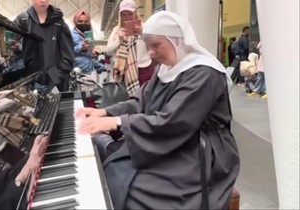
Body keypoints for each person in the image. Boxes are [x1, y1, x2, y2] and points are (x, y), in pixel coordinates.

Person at [75, 11, 240, 209]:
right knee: (115, 169)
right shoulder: (167, 68)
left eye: (156, 45)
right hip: (173, 140)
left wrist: (116, 122)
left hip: (200, 151)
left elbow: (175, 121)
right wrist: (105, 113)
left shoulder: (204, 73)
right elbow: (140, 102)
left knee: (134, 187)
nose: (151, 53)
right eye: (148, 46)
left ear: (176, 40)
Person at [14, 0, 74, 92]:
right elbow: (13, 50)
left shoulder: (59, 22)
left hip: (55, 77)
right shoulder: (23, 20)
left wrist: (57, 77)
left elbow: (68, 53)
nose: (43, 1)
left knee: (54, 103)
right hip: (31, 79)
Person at [105, 0, 155, 95]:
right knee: (127, 100)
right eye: (124, 15)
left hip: (144, 70)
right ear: (120, 16)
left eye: (130, 14)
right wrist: (119, 39)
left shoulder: (145, 27)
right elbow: (108, 51)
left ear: (135, 13)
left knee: (146, 98)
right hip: (124, 72)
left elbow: (153, 45)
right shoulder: (116, 30)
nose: (127, 17)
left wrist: (141, 32)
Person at [71, 10, 105, 74]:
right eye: (80, 21)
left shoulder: (88, 34)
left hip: (88, 70)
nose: (83, 23)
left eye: (86, 21)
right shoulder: (70, 34)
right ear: (75, 21)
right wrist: (80, 47)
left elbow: (88, 57)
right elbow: (66, 53)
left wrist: (93, 53)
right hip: (76, 71)